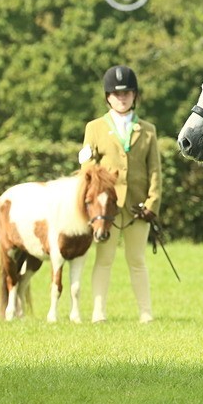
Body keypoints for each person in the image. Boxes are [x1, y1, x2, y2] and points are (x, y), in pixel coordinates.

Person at [79, 65, 162, 322]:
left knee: (137, 260)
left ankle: (146, 313)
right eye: (116, 94)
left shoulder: (148, 130)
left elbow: (155, 170)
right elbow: (87, 169)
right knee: (104, 259)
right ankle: (98, 312)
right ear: (107, 97)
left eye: (127, 93)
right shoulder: (94, 128)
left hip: (138, 206)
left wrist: (152, 203)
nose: (122, 97)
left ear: (135, 95)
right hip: (107, 208)